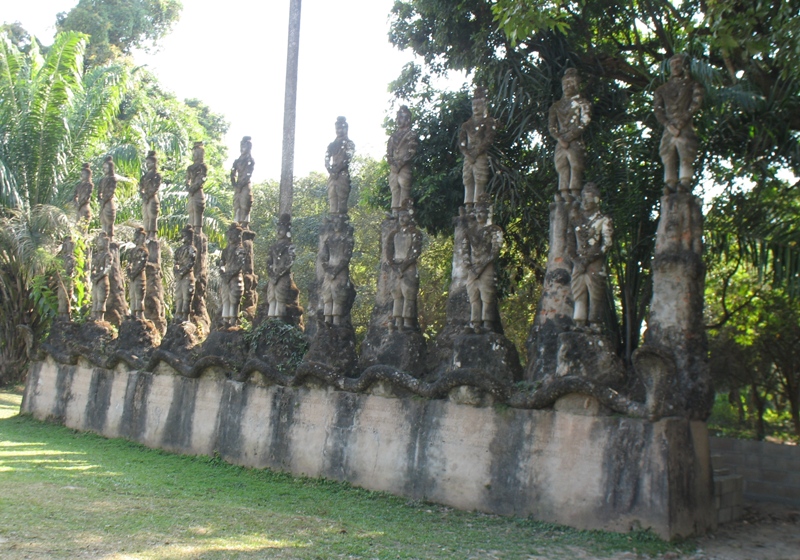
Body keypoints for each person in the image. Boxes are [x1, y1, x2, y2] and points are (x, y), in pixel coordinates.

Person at [653, 53, 704, 194]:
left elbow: (696, 103)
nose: (675, 66)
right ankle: (670, 183)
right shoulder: (662, 89)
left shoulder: (693, 85)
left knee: (686, 153)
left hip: (685, 125)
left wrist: (682, 121)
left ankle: (685, 181)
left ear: (685, 65)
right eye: (672, 64)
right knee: (667, 154)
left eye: (678, 63)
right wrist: (668, 125)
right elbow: (658, 110)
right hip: (669, 127)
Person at [569, 182, 613, 329]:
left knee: (595, 294)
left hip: (594, 261)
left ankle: (595, 323)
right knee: (578, 292)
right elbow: (570, 244)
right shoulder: (577, 220)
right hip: (579, 261)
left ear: (596, 199)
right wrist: (576, 261)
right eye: (583, 199)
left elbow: (607, 243)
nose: (585, 202)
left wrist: (589, 259)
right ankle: (579, 321)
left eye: (588, 198)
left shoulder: (603, 219)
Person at [548, 68, 592, 202]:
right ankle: (563, 193)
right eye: (565, 83)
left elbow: (585, 122)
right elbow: (551, 126)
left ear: (577, 84)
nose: (567, 86)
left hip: (574, 140)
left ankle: (575, 193)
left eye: (571, 82)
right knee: (561, 167)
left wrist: (569, 136)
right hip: (561, 141)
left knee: (576, 165)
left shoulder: (583, 103)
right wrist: (560, 139)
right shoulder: (556, 106)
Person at [464, 196, 503, 333]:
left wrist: (481, 267)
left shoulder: (494, 230)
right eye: (477, 212)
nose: (479, 215)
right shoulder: (470, 231)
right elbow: (465, 250)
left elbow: (495, 251)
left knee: (487, 295)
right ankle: (475, 323)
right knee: (473, 295)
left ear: (488, 213)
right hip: (473, 267)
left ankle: (487, 323)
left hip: (487, 266)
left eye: (482, 212)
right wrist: (470, 266)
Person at [387, 200, 422, 332]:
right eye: (400, 216)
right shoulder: (394, 234)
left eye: (405, 216)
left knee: (409, 294)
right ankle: (397, 321)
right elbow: (389, 252)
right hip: (396, 267)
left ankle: (407, 322)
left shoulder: (415, 234)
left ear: (410, 217)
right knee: (397, 295)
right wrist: (395, 267)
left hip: (409, 268)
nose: (402, 219)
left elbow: (415, 252)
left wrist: (403, 266)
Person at [459, 87, 497, 208]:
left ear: (484, 105)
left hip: (479, 155)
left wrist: (476, 152)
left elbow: (488, 139)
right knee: (467, 179)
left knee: (480, 179)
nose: (475, 108)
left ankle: (478, 205)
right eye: (473, 105)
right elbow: (461, 142)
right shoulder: (467, 125)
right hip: (469, 156)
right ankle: (468, 205)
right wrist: (468, 154)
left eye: (478, 105)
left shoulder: (488, 122)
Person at [320, 214, 354, 325]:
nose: (336, 224)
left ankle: (336, 321)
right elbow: (323, 256)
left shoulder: (347, 240)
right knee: (327, 296)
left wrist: (335, 271)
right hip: (329, 271)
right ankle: (327, 321)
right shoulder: (329, 240)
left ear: (343, 224)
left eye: (338, 222)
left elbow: (346, 258)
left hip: (340, 272)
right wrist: (328, 270)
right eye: (334, 222)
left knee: (338, 296)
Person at [387, 106, 418, 215]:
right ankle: (395, 211)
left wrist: (400, 163)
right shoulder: (392, 136)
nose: (399, 120)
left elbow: (411, 152)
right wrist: (393, 163)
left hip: (404, 166)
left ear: (408, 119)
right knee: (394, 187)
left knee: (404, 185)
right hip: (394, 167)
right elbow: (389, 154)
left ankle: (404, 210)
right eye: (398, 117)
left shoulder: (411, 134)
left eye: (402, 117)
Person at [266, 214, 296, 319]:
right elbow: (268, 262)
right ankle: (270, 322)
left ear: (287, 231)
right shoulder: (273, 247)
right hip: (273, 276)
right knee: (271, 298)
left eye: (281, 229)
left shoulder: (290, 246)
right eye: (277, 229)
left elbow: (290, 262)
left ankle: (279, 321)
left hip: (283, 276)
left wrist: (278, 274)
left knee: (280, 298)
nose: (278, 232)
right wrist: (272, 274)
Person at [324, 117, 355, 215]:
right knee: (332, 197)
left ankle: (341, 219)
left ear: (346, 129)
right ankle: (333, 219)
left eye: (341, 128)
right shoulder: (332, 144)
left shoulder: (349, 143)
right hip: (333, 174)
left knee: (342, 198)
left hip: (342, 174)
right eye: (337, 128)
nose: (339, 131)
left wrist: (337, 170)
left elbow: (347, 158)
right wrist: (330, 170)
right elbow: (326, 159)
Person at [218, 223, 246, 328]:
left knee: (234, 299)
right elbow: (221, 262)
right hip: (226, 278)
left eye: (232, 234)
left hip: (235, 278)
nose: (230, 237)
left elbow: (239, 266)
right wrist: (222, 270)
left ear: (239, 235)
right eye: (229, 234)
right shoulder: (225, 250)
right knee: (225, 299)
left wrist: (227, 275)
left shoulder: (240, 250)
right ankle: (225, 319)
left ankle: (234, 320)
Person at [173, 225, 197, 323]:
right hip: (179, 276)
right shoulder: (179, 250)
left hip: (187, 275)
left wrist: (181, 272)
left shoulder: (192, 249)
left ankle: (185, 316)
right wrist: (177, 271)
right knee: (178, 296)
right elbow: (176, 262)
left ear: (190, 237)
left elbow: (191, 263)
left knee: (187, 297)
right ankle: (178, 315)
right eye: (183, 235)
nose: (183, 238)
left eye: (185, 236)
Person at [230, 136, 255, 228]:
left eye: (245, 146)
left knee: (245, 204)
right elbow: (232, 172)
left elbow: (249, 173)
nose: (243, 148)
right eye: (242, 145)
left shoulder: (250, 160)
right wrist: (234, 183)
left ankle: (244, 224)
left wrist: (241, 184)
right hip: (238, 185)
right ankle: (237, 223)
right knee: (237, 204)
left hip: (245, 184)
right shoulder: (237, 161)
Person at [127, 227, 148, 319]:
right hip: (133, 277)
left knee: (139, 296)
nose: (141, 240)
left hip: (139, 276)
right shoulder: (132, 251)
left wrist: (133, 274)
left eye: (143, 238)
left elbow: (142, 265)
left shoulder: (144, 251)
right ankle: (133, 313)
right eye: (139, 237)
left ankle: (140, 315)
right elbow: (129, 263)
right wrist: (129, 271)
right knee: (132, 295)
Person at [139, 151, 161, 240]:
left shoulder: (157, 175)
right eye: (146, 163)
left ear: (155, 163)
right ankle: (146, 234)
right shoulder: (144, 177)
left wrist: (148, 195)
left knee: (152, 217)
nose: (148, 165)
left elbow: (155, 187)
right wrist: (143, 194)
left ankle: (152, 235)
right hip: (145, 199)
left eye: (150, 163)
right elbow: (140, 187)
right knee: (145, 216)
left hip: (152, 198)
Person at [90, 233, 112, 322]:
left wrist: (98, 277)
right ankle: (94, 316)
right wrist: (93, 275)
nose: (99, 243)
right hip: (96, 280)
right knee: (95, 298)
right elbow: (93, 267)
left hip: (103, 279)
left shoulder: (108, 255)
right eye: (98, 241)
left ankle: (100, 317)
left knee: (101, 299)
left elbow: (107, 268)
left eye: (101, 241)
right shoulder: (96, 256)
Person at [186, 141, 208, 231]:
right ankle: (191, 229)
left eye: (196, 153)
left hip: (198, 190)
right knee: (191, 210)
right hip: (191, 192)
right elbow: (187, 179)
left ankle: (198, 230)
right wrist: (188, 187)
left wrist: (194, 187)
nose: (194, 155)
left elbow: (202, 178)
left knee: (198, 209)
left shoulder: (203, 166)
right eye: (193, 153)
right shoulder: (190, 168)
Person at [97, 156, 117, 239]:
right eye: (103, 168)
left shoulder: (112, 179)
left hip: (109, 202)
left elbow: (111, 192)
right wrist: (100, 199)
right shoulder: (102, 180)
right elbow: (99, 191)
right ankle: (103, 236)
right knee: (103, 221)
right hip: (103, 203)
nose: (104, 169)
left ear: (110, 168)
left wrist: (104, 200)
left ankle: (110, 238)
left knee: (109, 222)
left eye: (106, 168)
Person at [56, 236, 76, 321]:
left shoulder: (71, 258)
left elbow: (69, 270)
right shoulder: (61, 258)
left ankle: (66, 315)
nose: (65, 246)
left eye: (67, 245)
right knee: (60, 297)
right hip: (61, 282)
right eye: (64, 244)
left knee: (66, 297)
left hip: (67, 281)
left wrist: (63, 275)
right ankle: (61, 315)